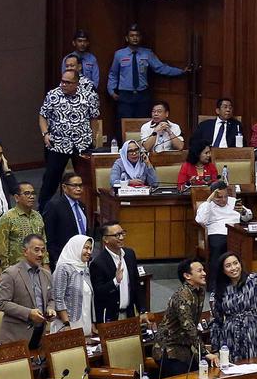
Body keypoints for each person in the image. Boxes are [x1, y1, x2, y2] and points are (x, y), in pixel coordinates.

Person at [107, 24, 187, 134]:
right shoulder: (119, 54)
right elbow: (113, 74)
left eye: (137, 35)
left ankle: (142, 148)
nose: (135, 38)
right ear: (127, 38)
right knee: (123, 125)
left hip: (142, 95)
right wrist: (111, 91)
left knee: (143, 125)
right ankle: (125, 149)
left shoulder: (147, 53)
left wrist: (181, 71)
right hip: (125, 95)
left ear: (140, 37)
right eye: (132, 35)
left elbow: (160, 68)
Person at [38, 69, 99, 204]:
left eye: (67, 82)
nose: (63, 85)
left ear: (76, 84)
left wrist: (94, 138)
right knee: (50, 179)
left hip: (82, 143)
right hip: (58, 143)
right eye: (62, 81)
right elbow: (42, 115)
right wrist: (45, 134)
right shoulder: (53, 95)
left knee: (85, 180)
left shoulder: (89, 96)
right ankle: (42, 212)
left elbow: (94, 118)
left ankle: (86, 210)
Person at [155, 258, 218, 378]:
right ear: (187, 276)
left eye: (203, 270)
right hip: (169, 349)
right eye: (199, 271)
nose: (204, 273)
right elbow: (188, 326)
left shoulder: (200, 291)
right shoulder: (182, 296)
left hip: (186, 347)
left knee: (207, 373)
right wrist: (204, 352)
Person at [0, 234, 56, 348]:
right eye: (36, 250)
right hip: (15, 337)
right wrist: (28, 313)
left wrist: (50, 309)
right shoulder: (11, 274)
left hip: (39, 336)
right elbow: (1, 303)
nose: (40, 254)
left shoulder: (46, 274)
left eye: (43, 251)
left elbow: (51, 299)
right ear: (25, 251)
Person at [90, 221, 148, 323]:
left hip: (130, 314)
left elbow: (136, 284)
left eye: (122, 233)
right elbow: (98, 293)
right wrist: (115, 281)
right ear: (105, 239)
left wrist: (142, 310)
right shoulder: (98, 263)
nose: (121, 238)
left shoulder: (129, 254)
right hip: (110, 317)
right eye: (117, 235)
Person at [195, 180, 252, 265]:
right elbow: (200, 220)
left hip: (235, 232)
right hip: (217, 233)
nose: (223, 200)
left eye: (226, 196)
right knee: (219, 246)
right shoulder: (206, 205)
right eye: (219, 197)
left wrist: (243, 212)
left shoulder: (233, 201)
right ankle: (215, 277)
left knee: (248, 244)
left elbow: (248, 217)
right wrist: (209, 200)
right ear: (212, 195)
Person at [0, 183, 47, 272]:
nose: (32, 197)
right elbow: (0, 247)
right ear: (16, 197)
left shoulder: (38, 216)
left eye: (33, 193)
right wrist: (7, 270)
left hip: (38, 267)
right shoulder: (7, 218)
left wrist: (45, 263)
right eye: (27, 193)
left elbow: (44, 241)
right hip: (17, 269)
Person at [41, 172, 91, 266]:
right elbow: (48, 236)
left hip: (82, 258)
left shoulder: (82, 206)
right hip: (64, 259)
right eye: (74, 186)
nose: (79, 189)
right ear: (64, 187)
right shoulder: (54, 206)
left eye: (80, 185)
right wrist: (56, 259)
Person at [51, 236, 95, 335]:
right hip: (67, 326)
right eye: (86, 248)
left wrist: (92, 322)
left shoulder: (85, 269)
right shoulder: (63, 268)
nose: (89, 252)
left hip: (85, 324)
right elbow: (58, 298)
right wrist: (66, 324)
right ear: (76, 247)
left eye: (90, 248)